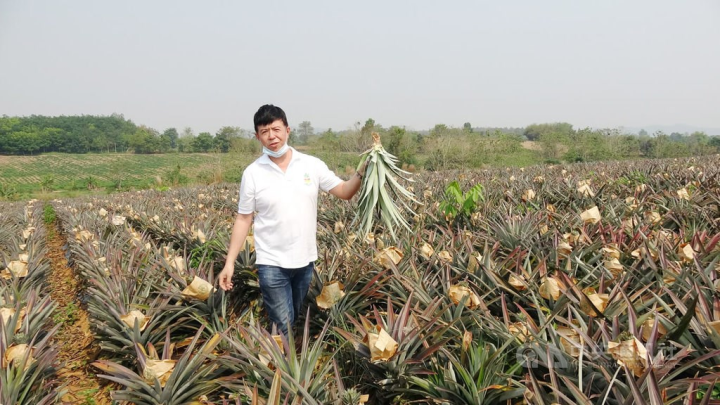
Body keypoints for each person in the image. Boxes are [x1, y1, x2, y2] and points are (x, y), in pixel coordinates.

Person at [218, 104, 364, 337]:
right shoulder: (253, 173)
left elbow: (345, 191)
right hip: (271, 262)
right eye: (264, 132)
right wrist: (230, 262)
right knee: (283, 322)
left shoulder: (311, 164)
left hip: (305, 260)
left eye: (276, 129)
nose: (271, 136)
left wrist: (362, 172)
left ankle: (286, 357)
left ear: (288, 129)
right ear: (257, 137)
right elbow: (244, 218)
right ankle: (287, 369)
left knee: (293, 315)